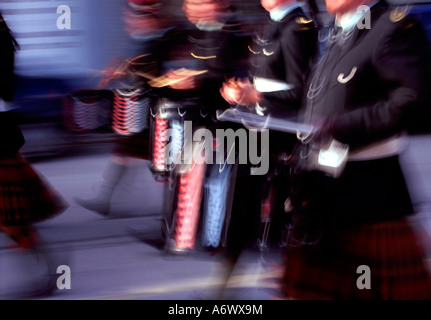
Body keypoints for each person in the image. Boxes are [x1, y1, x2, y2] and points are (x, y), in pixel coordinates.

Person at [280, 0, 431, 299]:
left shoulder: (394, 26)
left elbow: (413, 102)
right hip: (322, 191)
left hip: (369, 195)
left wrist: (339, 126)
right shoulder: (336, 32)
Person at [214, 0, 318, 299]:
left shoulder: (299, 28)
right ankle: (223, 291)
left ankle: (232, 291)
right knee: (242, 211)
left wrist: (255, 94)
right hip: (261, 132)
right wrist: (244, 93)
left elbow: (302, 90)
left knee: (266, 220)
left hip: (281, 139)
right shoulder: (273, 24)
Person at [0, 12, 68, 298]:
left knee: (10, 220)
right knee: (10, 219)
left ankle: (51, 271)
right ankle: (49, 270)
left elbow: (5, 89)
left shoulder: (1, 41)